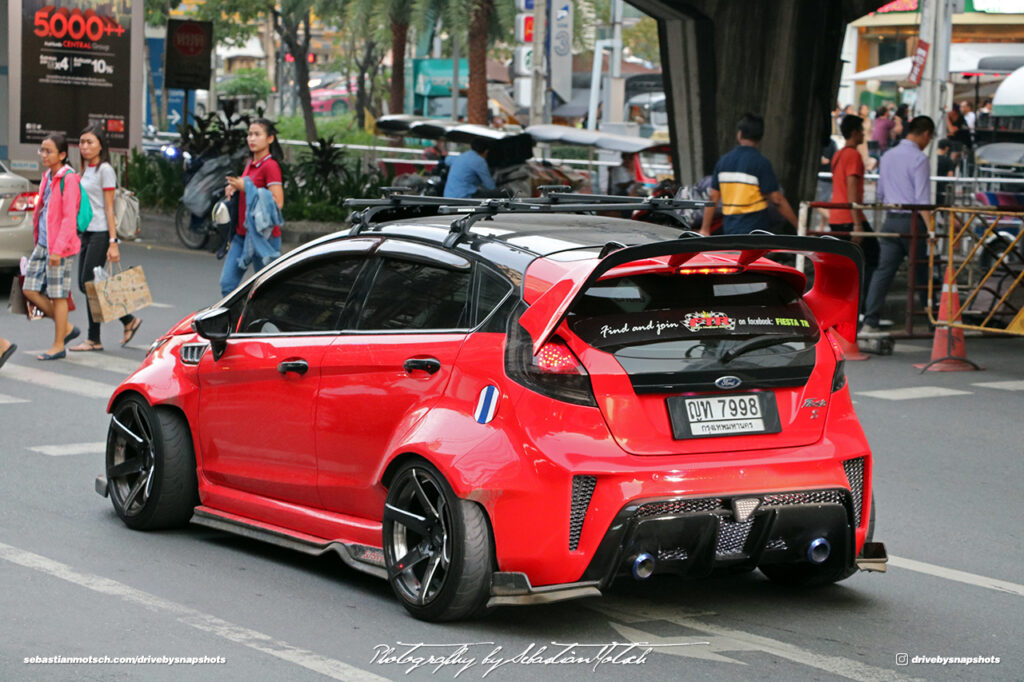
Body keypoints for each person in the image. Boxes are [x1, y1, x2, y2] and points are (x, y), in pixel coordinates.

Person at [860, 116, 935, 337]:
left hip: (891, 220)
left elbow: (881, 193)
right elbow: (922, 200)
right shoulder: (920, 159)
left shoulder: (888, 156)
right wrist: (931, 229)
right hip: (913, 222)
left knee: (883, 272)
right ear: (926, 134)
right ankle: (933, 320)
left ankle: (870, 320)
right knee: (922, 271)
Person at [70, 125, 142, 351]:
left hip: (101, 232)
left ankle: (95, 338)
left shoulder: (105, 170)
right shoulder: (86, 169)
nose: (84, 146)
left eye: (90, 142)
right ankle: (127, 320)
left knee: (89, 284)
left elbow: (109, 208)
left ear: (101, 146)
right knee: (87, 285)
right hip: (87, 232)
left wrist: (113, 242)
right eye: (82, 142)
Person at [22, 133, 83, 360]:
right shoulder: (48, 176)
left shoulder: (69, 178)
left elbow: (69, 218)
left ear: (62, 154)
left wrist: (57, 250)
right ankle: (65, 327)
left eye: (48, 151)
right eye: (42, 150)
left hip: (60, 247)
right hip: (43, 243)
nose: (44, 155)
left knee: (58, 295)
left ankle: (58, 345)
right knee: (29, 289)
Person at [700, 112, 798, 236]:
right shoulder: (761, 163)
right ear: (760, 137)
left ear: (739, 134)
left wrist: (705, 229)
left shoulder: (723, 162)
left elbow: (713, 197)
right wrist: (798, 226)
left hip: (729, 231)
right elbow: (777, 199)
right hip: (755, 232)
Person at [220, 119, 285, 296]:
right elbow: (247, 187)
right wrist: (234, 187)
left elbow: (278, 202)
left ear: (270, 138)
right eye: (249, 134)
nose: (252, 138)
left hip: (264, 237)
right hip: (242, 235)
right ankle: (239, 315)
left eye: (257, 134)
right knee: (227, 284)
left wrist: (246, 187)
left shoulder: (270, 166)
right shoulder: (251, 162)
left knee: (266, 291)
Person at [829, 114, 879, 310]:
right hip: (850, 217)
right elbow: (851, 188)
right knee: (873, 256)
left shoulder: (838, 155)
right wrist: (858, 224)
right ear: (855, 132)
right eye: (862, 131)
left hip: (837, 216)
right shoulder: (853, 156)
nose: (864, 134)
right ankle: (861, 306)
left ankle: (847, 305)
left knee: (845, 264)